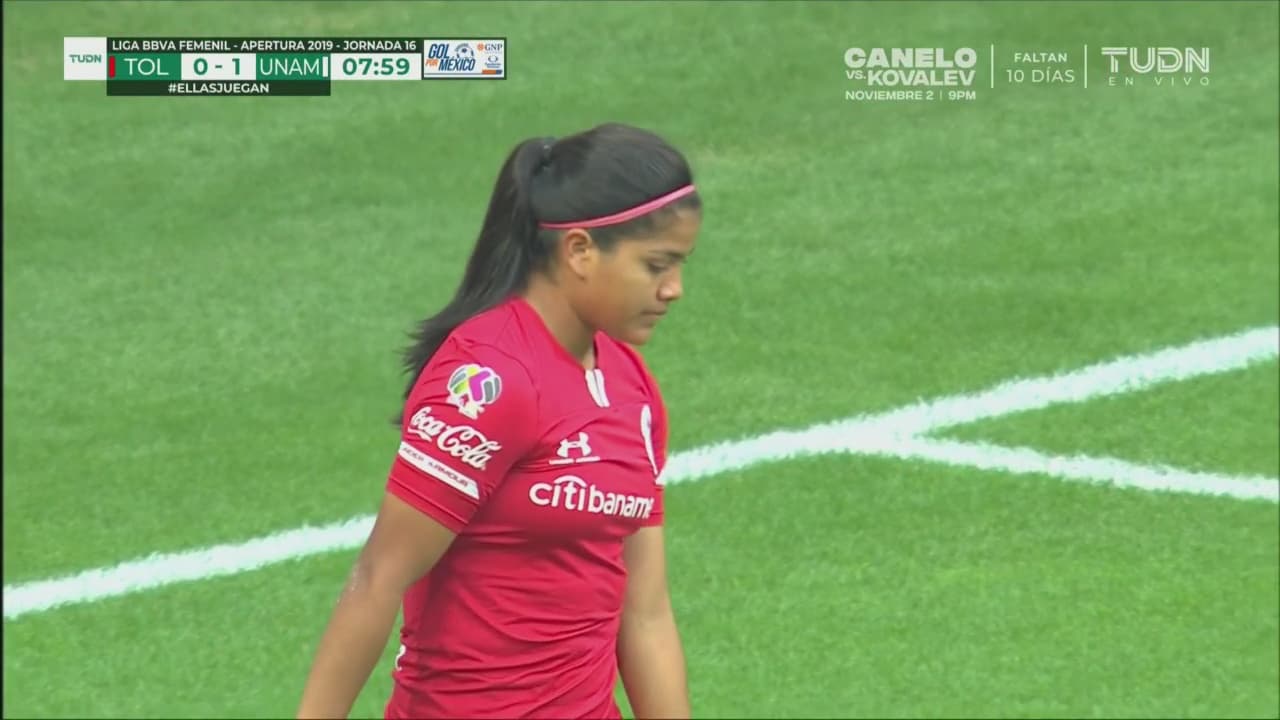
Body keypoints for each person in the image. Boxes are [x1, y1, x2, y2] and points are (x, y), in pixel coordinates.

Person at [296, 122, 702, 719]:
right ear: (580, 251)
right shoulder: (490, 379)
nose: (674, 289)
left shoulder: (631, 386)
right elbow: (378, 578)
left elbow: (645, 612)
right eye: (656, 265)